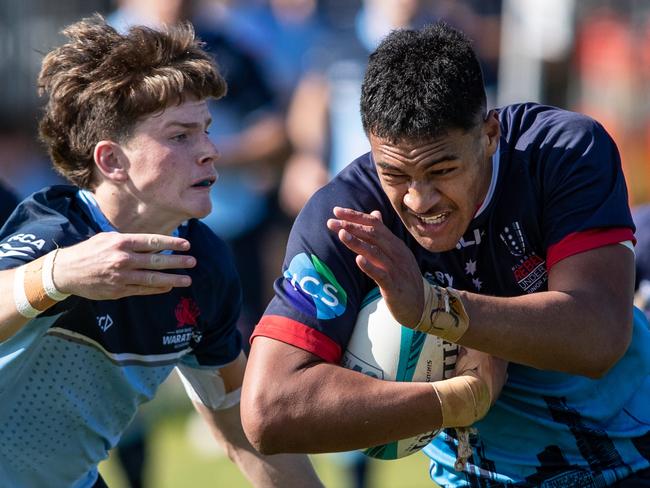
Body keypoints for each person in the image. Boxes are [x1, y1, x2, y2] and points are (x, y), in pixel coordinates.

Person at [241, 22, 650, 487]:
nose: (419, 200)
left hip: (631, 456)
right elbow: (268, 409)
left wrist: (434, 309)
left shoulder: (561, 152)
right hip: (477, 476)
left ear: (490, 134)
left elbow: (598, 335)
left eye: (442, 169)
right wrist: (456, 401)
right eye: (394, 174)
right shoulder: (347, 220)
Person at [0, 15, 322, 488]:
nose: (210, 150)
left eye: (206, 129)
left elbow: (236, 426)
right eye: (180, 135)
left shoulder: (202, 265)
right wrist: (58, 274)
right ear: (111, 160)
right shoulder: (57, 234)